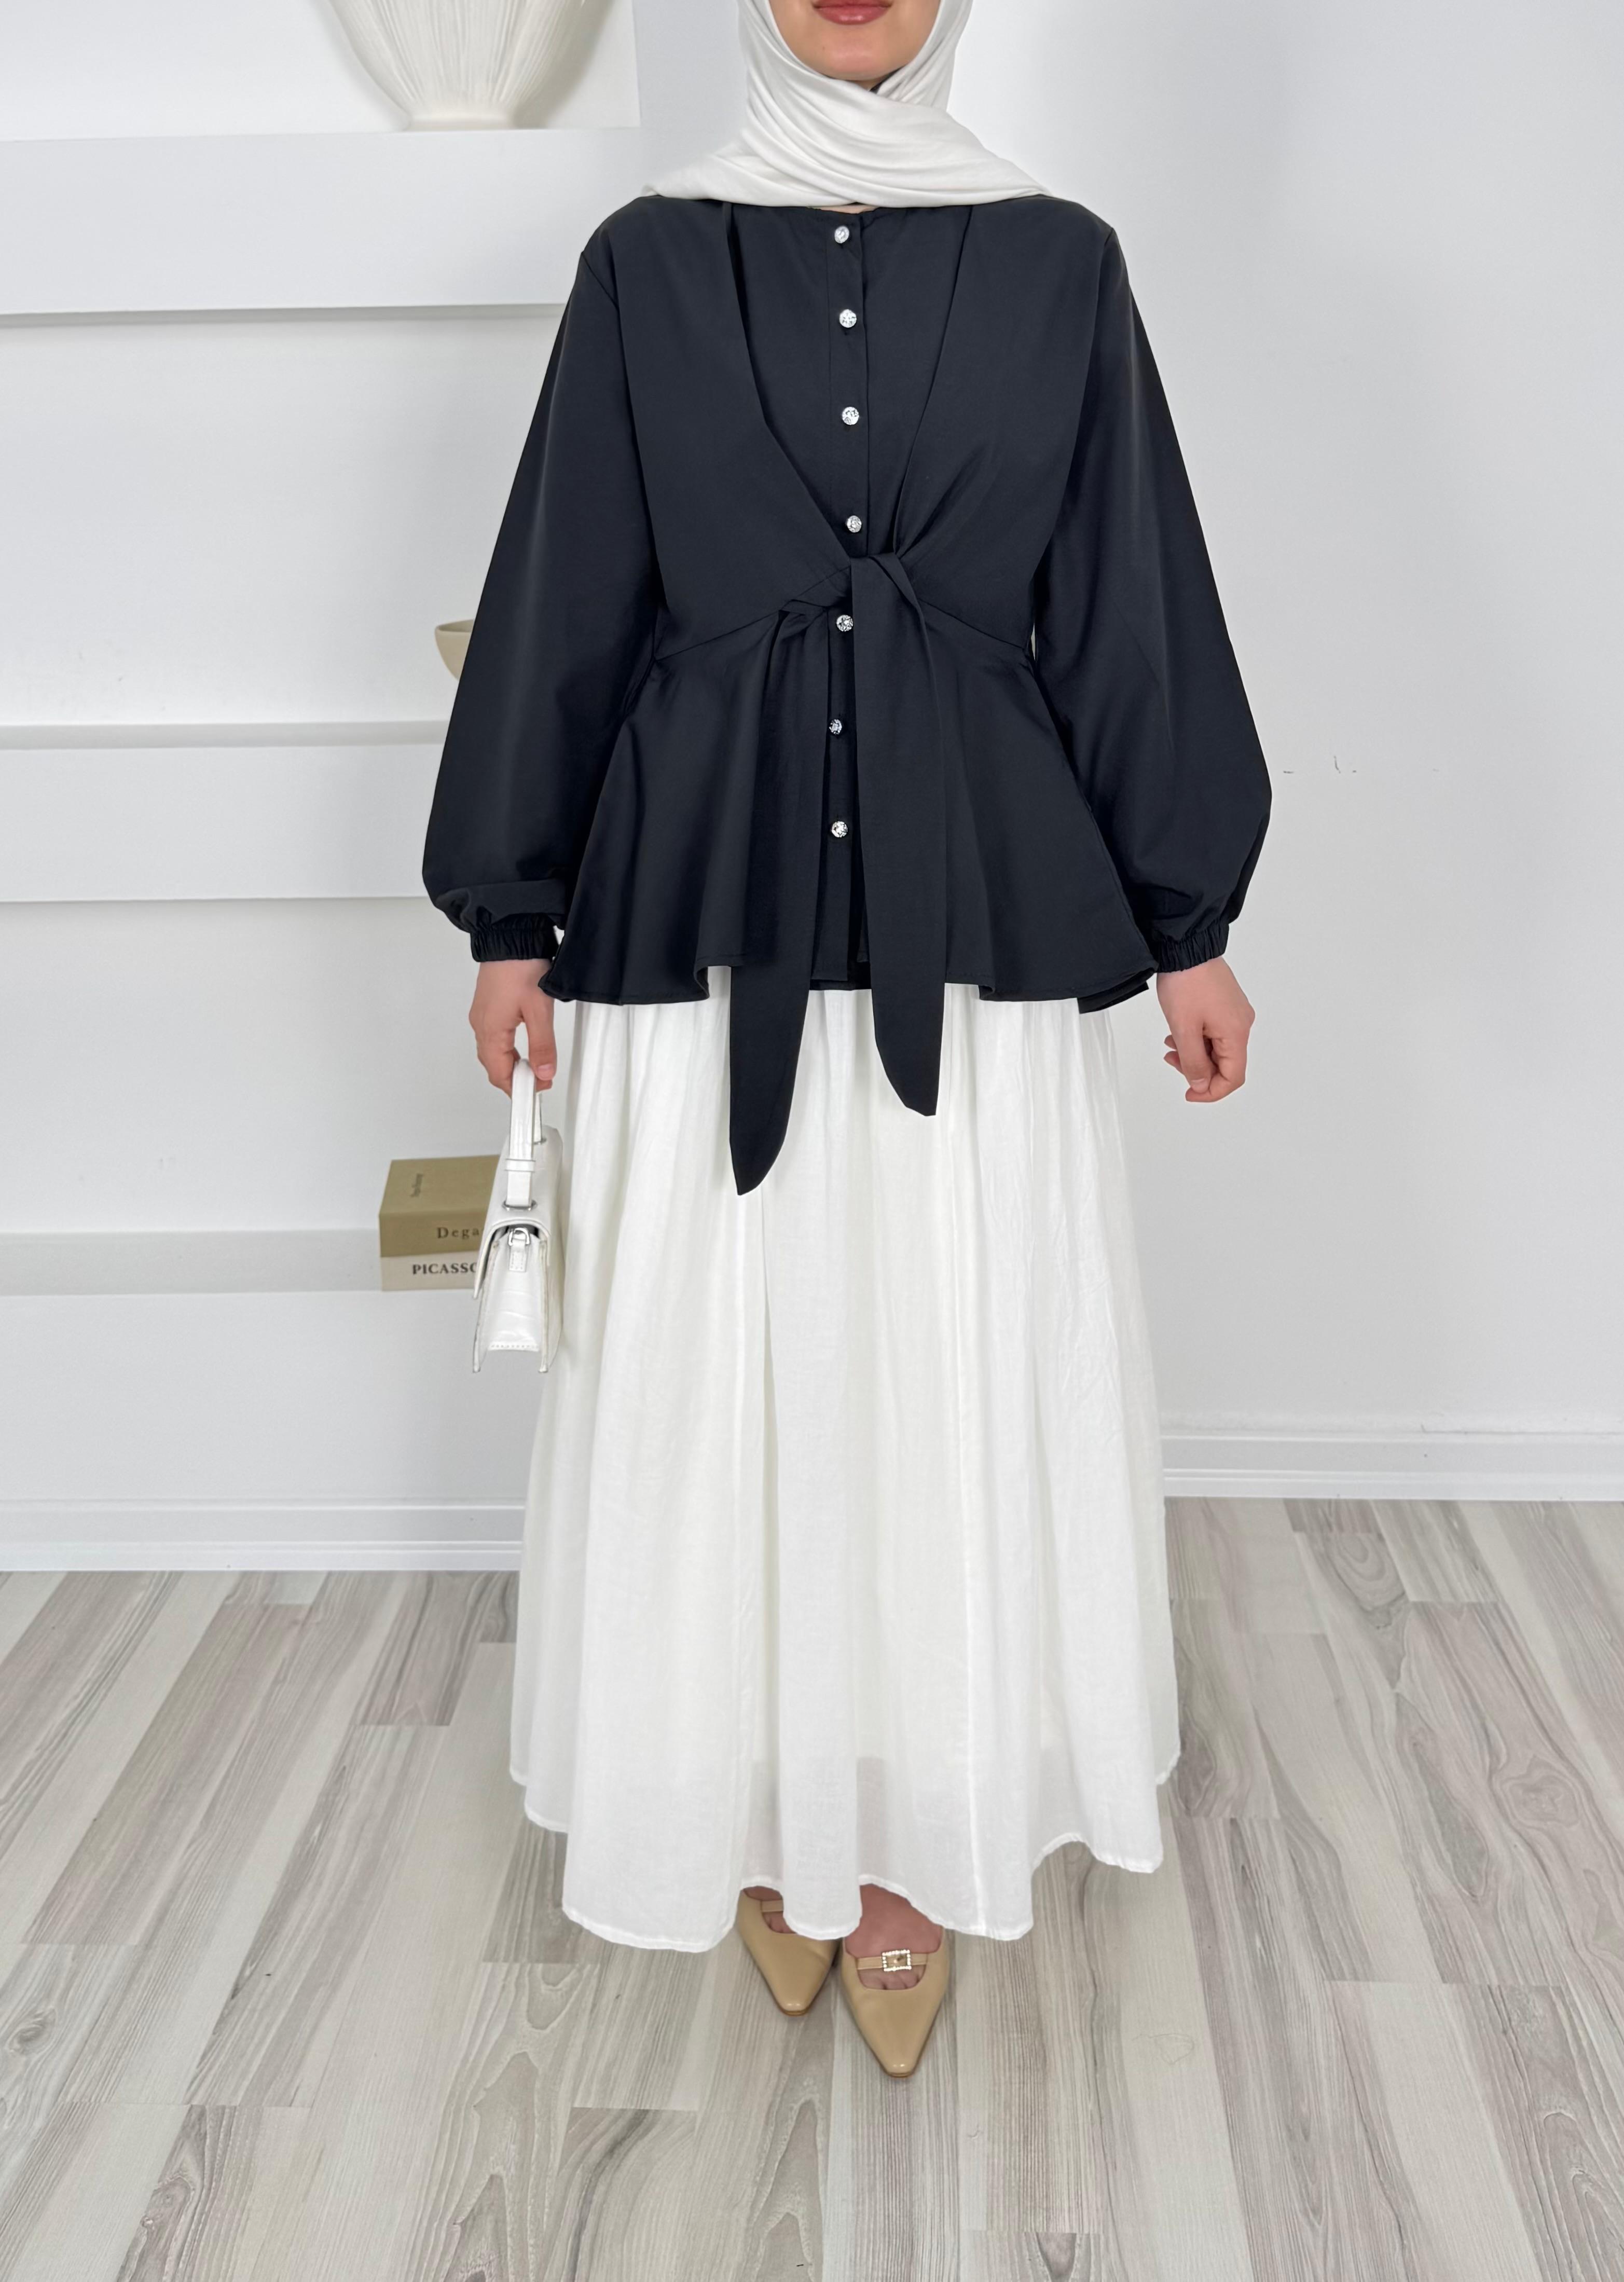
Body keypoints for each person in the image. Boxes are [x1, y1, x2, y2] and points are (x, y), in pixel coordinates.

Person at [422, 0, 1269, 2080]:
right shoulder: (647, 263)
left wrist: (1190, 930)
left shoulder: (1061, 262)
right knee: (722, 1367)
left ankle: (905, 1834)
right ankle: (751, 1803)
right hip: (695, 909)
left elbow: (1132, 600)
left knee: (941, 1355)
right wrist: (511, 914)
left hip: (972, 923)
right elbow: (566, 594)